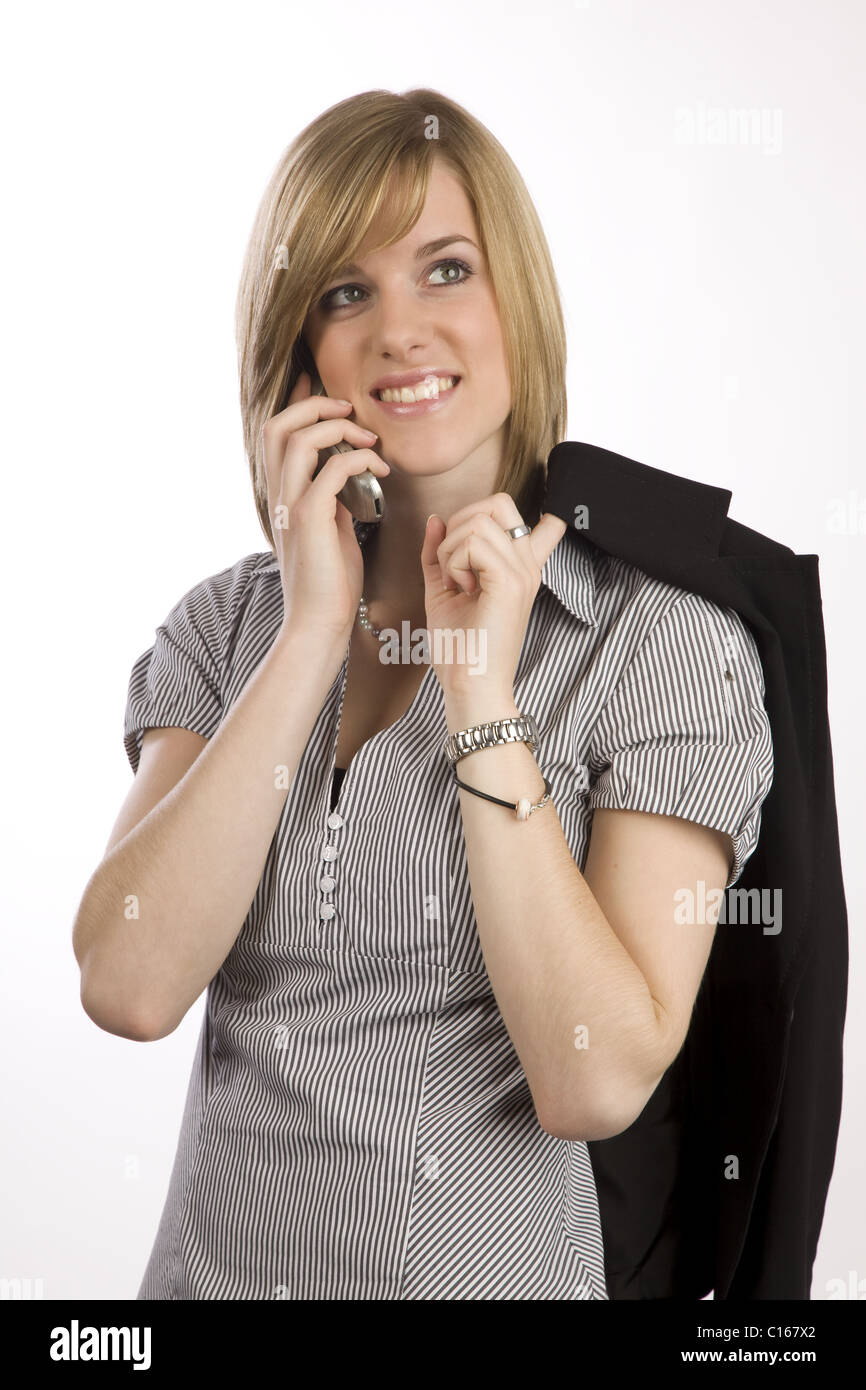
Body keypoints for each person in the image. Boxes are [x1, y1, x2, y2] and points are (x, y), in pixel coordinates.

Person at [71, 88, 774, 1301]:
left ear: (517, 301)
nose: (399, 328)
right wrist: (309, 634)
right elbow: (127, 985)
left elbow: (592, 1077)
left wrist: (481, 693)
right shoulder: (226, 625)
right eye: (345, 292)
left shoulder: (663, 644)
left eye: (443, 268)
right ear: (301, 352)